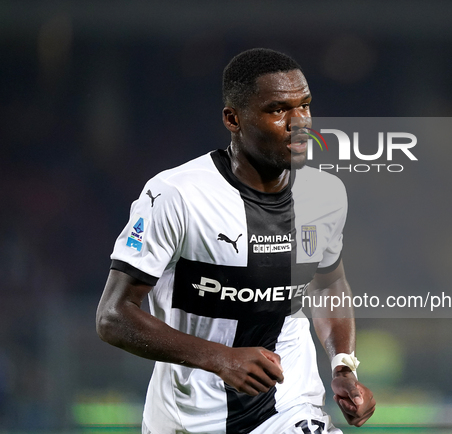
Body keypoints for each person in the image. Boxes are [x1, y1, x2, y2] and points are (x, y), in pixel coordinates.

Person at [96, 48, 375, 434]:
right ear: (233, 119)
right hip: (186, 417)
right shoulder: (177, 195)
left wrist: (343, 363)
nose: (300, 123)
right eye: (278, 110)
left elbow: (329, 283)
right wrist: (221, 358)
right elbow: (113, 316)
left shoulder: (325, 195)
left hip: (288, 406)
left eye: (305, 106)